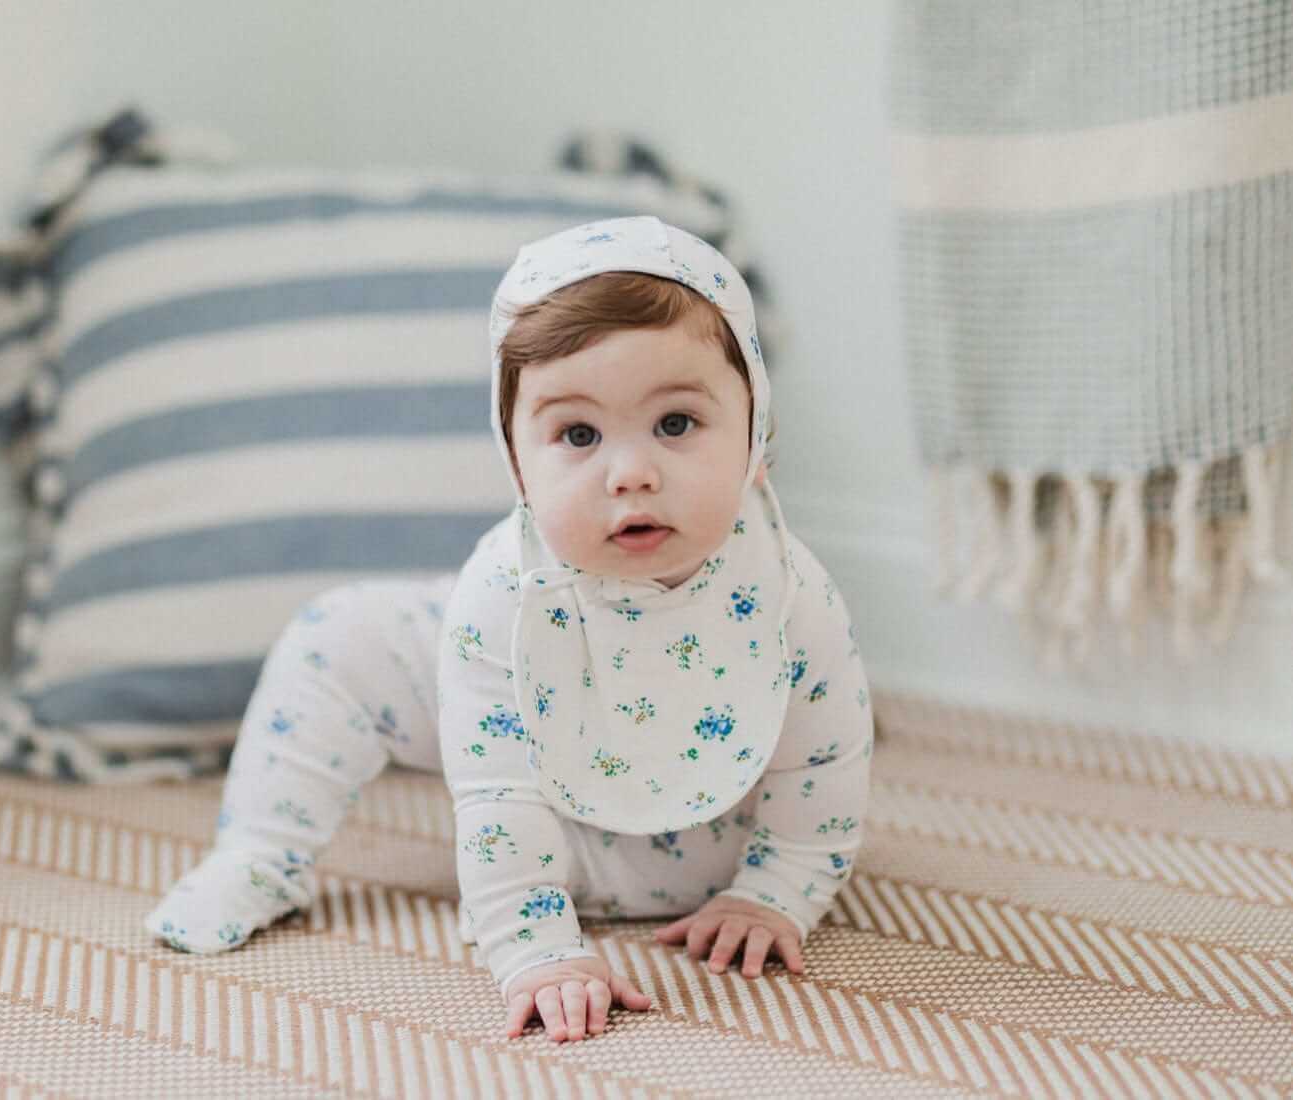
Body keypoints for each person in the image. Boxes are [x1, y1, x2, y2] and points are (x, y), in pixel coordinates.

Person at [144, 216, 874, 1045]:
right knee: (337, 635)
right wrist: (535, 946)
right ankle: (260, 851)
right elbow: (497, 790)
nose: (631, 473)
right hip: (541, 823)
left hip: (705, 849)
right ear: (516, 461)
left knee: (801, 751)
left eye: (676, 424)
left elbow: (825, 758)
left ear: (755, 435)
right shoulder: (502, 587)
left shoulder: (789, 589)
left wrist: (774, 892)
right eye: (578, 435)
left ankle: (728, 883)